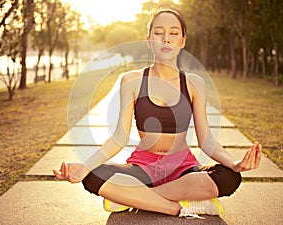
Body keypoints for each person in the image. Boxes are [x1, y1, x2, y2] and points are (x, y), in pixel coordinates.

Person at [53, 6, 262, 219]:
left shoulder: (194, 83)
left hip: (183, 169)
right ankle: (178, 207)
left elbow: (206, 140)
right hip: (143, 168)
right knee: (92, 176)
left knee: (230, 177)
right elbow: (119, 137)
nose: (166, 39)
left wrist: (235, 163)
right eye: (158, 32)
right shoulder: (132, 81)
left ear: (183, 40)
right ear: (149, 39)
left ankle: (131, 198)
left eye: (173, 33)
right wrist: (85, 167)